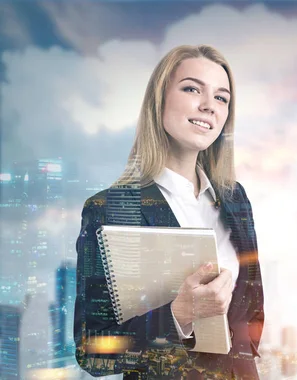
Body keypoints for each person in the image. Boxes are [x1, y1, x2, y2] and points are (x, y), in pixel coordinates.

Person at [73, 45, 264, 380]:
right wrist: (179, 314)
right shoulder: (111, 210)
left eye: (222, 98)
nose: (209, 105)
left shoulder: (235, 199)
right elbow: (93, 351)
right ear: (159, 100)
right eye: (192, 89)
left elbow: (252, 307)